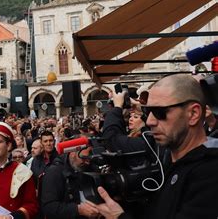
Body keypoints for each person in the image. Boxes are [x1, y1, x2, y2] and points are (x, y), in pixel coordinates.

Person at [93, 74, 218, 218]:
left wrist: (119, 217)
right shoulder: (167, 161)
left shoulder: (210, 172)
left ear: (193, 113)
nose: (150, 121)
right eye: (147, 111)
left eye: (160, 112)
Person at [40, 143, 99, 219]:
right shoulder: (54, 172)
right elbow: (49, 207)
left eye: (89, 158)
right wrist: (77, 210)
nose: (87, 162)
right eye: (84, 158)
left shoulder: (90, 167)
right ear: (72, 153)